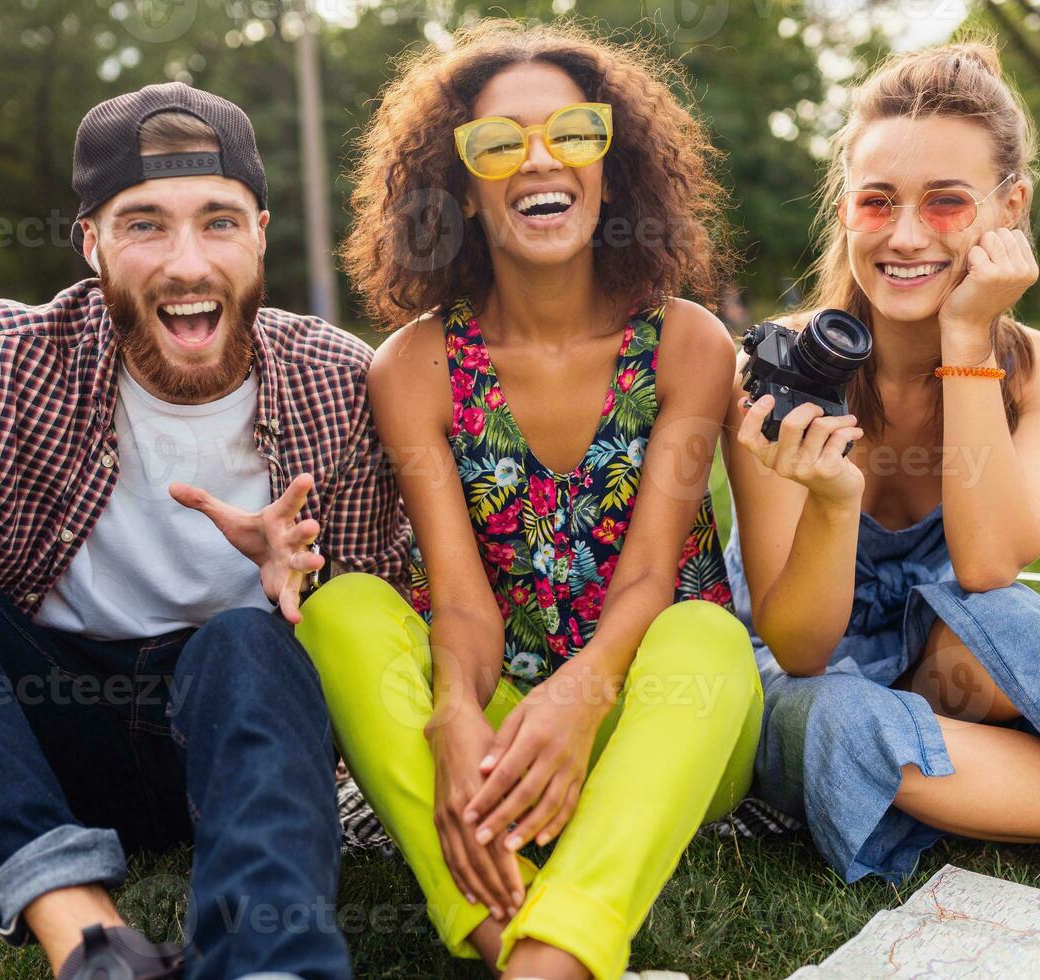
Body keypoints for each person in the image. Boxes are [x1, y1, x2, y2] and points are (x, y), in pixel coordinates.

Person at [0, 83, 408, 979]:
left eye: (217, 222)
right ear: (90, 243)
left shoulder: (345, 379)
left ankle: (269, 959)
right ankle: (89, 938)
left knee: (249, 643)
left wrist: (310, 584)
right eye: (144, 225)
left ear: (260, 232)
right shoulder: (6, 352)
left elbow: (403, 626)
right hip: (36, 734)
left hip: (233, 735)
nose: (187, 263)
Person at [295, 19, 762, 980]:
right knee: (341, 609)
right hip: (501, 721)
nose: (539, 160)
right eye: (500, 143)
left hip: (658, 717)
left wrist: (584, 696)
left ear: (611, 164)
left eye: (574, 133)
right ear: (461, 186)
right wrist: (455, 713)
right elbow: (460, 604)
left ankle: (546, 960)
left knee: (707, 636)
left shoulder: (689, 343)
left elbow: (647, 582)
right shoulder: (416, 365)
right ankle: (510, 934)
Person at [722, 41, 1040, 885]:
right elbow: (802, 651)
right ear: (845, 208)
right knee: (850, 719)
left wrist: (966, 341)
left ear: (1011, 205)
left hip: (958, 667)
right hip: (806, 681)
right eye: (877, 202)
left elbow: (990, 568)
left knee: (1012, 623)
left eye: (947, 203)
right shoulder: (777, 372)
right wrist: (833, 504)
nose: (907, 235)